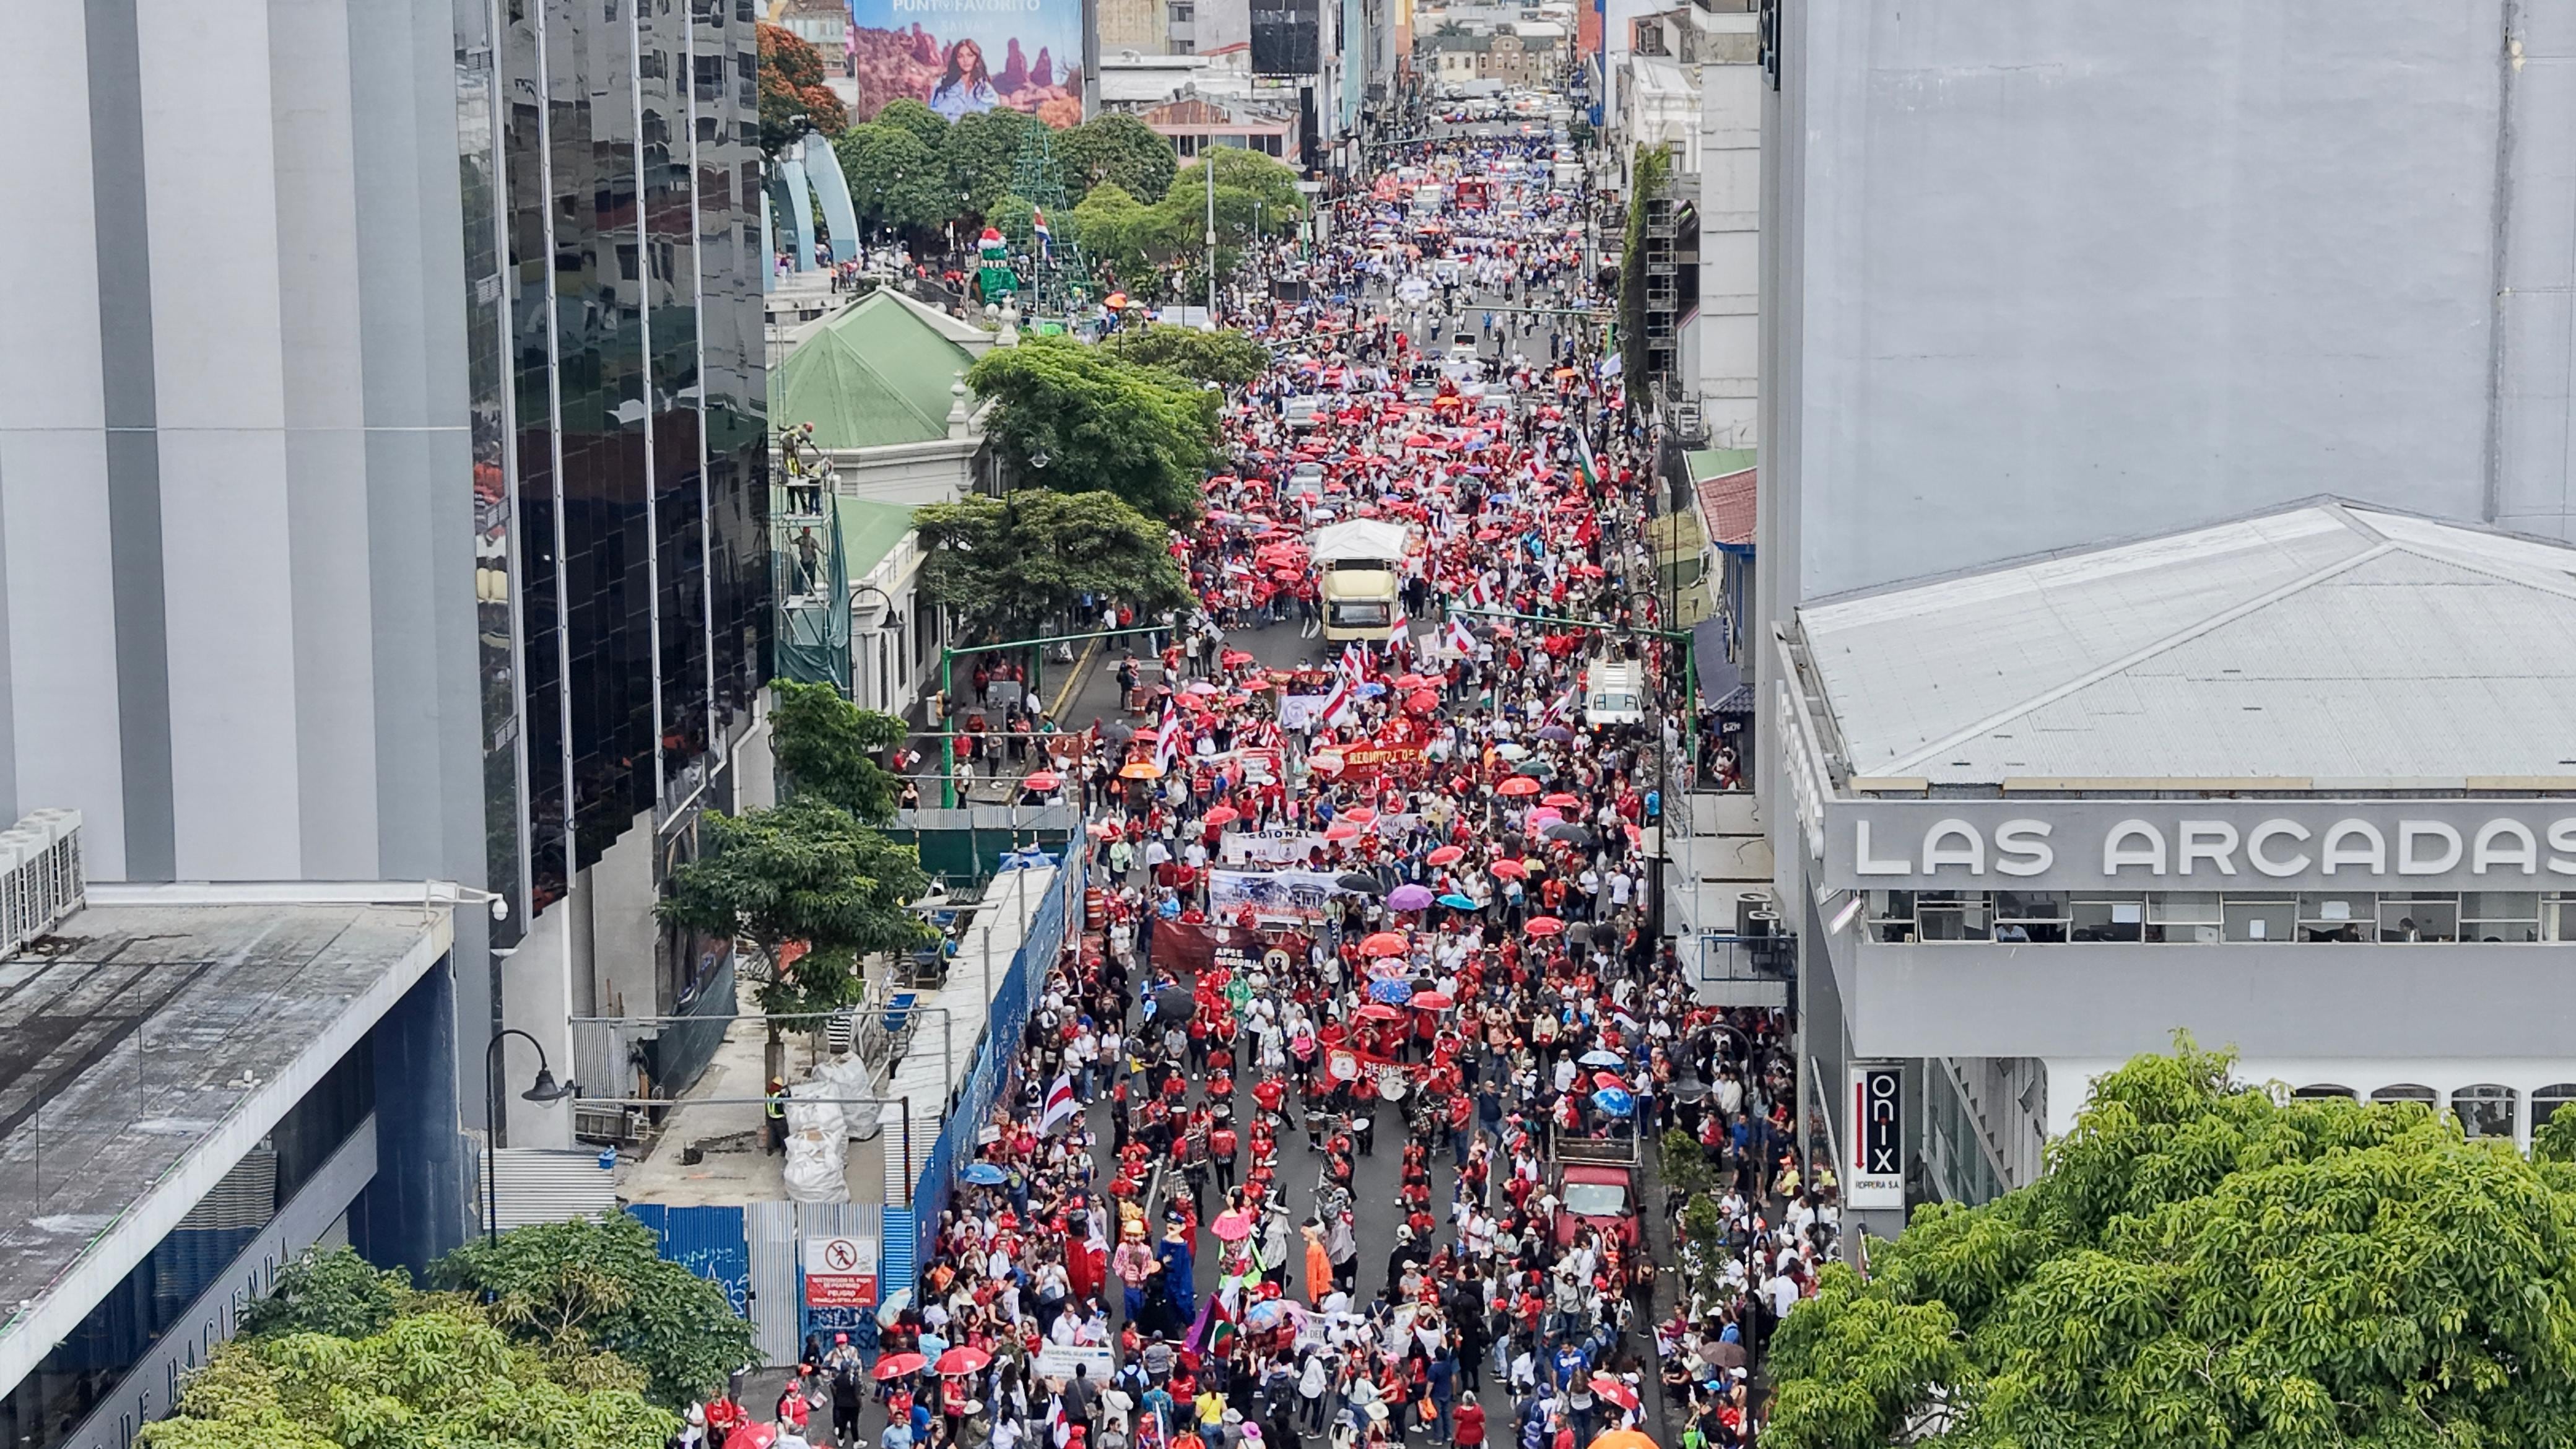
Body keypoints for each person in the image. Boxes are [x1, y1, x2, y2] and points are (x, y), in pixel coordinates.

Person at [929, 38, 1001, 119]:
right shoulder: (942, 86)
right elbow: (933, 116)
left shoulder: (987, 90)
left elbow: (994, 119)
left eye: (970, 55)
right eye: (960, 56)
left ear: (976, 58)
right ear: (956, 60)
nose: (965, 60)